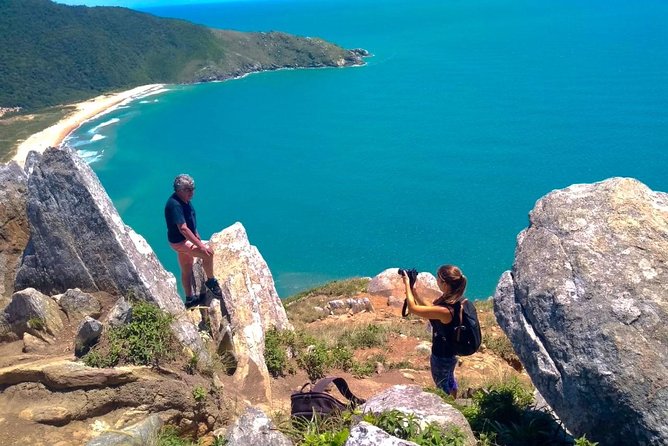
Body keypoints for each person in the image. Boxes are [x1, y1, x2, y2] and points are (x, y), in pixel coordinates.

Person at [401, 264, 467, 398]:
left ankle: (450, 412)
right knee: (449, 379)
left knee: (442, 388)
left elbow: (413, 309)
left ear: (445, 284)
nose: (436, 281)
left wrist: (407, 283)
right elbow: (430, 310)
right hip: (450, 353)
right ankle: (455, 399)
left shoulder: (446, 310)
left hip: (441, 356)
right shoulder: (454, 300)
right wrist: (414, 292)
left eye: (438, 279)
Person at [165, 174, 223, 308]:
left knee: (187, 269)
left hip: (180, 240)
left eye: (192, 189)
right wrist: (201, 245)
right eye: (188, 189)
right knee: (208, 254)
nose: (191, 192)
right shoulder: (175, 205)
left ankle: (190, 299)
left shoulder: (184, 200)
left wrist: (196, 235)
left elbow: (190, 222)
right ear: (179, 190)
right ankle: (211, 282)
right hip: (180, 241)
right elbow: (183, 229)